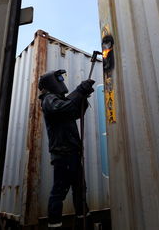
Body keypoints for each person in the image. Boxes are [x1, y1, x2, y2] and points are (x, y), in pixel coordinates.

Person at [38, 69, 95, 230]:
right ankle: (55, 225)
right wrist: (79, 91)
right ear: (51, 83)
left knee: (80, 190)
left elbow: (74, 111)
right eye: (59, 79)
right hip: (63, 154)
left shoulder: (58, 100)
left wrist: (82, 97)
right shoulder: (48, 99)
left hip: (72, 153)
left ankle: (83, 222)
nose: (61, 82)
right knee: (59, 192)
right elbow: (64, 108)